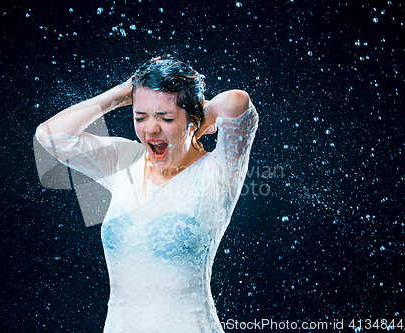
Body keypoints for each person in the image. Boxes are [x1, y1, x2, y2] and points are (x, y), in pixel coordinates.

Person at [35, 57, 259, 333]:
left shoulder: (217, 171)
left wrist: (205, 113)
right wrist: (123, 92)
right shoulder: (125, 161)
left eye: (166, 118)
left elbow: (237, 102)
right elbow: (51, 136)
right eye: (140, 116)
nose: (151, 129)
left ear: (192, 119)